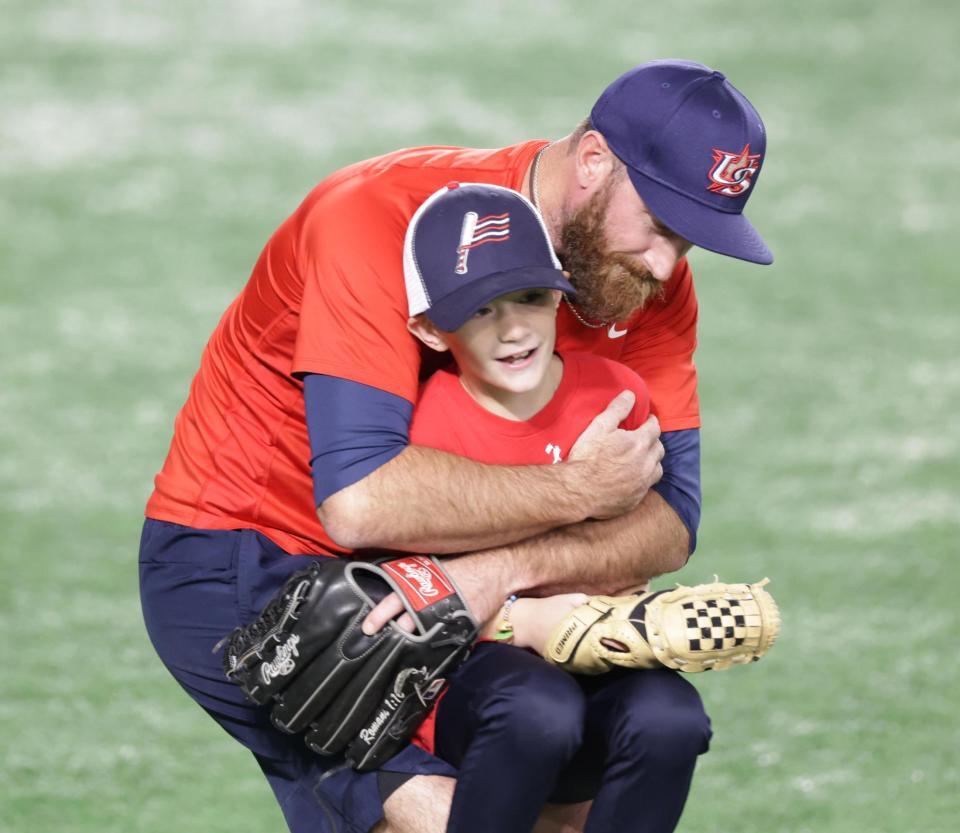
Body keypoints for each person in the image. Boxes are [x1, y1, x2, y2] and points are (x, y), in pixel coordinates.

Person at [139, 58, 772, 833]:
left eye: (697, 238)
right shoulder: (376, 221)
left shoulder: (641, 280)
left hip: (474, 586)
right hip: (263, 563)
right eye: (664, 224)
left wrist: (503, 576)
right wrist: (580, 494)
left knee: (592, 769)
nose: (669, 264)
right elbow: (361, 502)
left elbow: (670, 518)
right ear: (595, 161)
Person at [399, 180, 713, 833]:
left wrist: (640, 616)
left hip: (591, 663)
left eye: (532, 297)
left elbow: (630, 548)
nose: (514, 328)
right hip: (471, 680)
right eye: (480, 308)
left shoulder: (618, 393)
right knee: (537, 706)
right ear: (430, 329)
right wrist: (523, 620)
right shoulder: (422, 430)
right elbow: (406, 605)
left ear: (560, 299)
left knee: (670, 716)